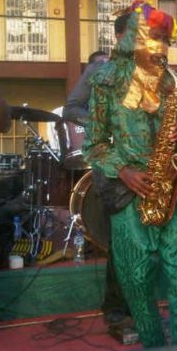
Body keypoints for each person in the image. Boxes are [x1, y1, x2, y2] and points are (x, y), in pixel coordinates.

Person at [83, 0, 177, 347]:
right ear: (132, 37)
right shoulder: (105, 81)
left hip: (173, 188)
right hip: (132, 194)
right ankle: (153, 345)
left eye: (165, 38)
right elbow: (94, 144)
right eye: (154, 36)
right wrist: (124, 171)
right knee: (135, 281)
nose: (161, 46)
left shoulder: (173, 80)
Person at [62, 42, 128, 326]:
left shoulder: (149, 72)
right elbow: (72, 108)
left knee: (138, 236)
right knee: (120, 236)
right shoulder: (99, 69)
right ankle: (115, 306)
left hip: (141, 162)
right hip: (110, 161)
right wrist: (102, 124)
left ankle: (135, 300)